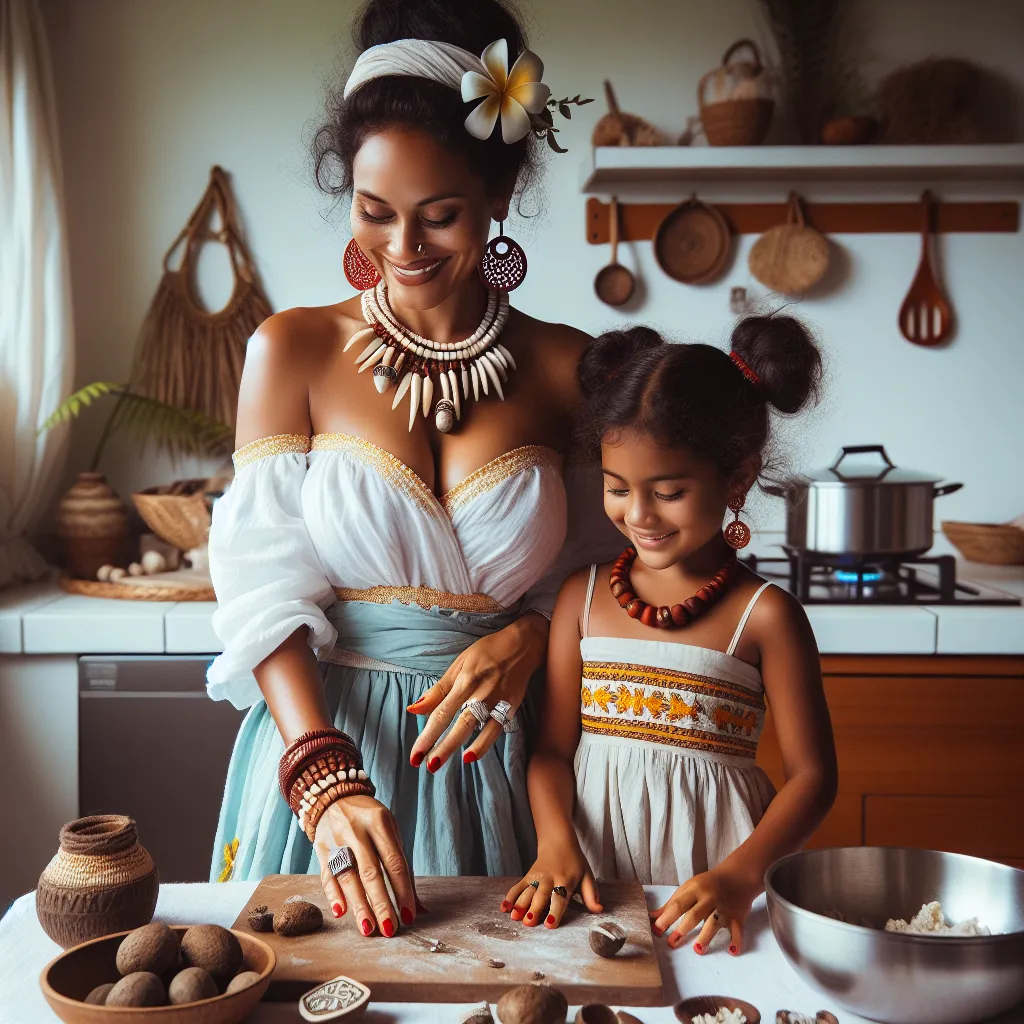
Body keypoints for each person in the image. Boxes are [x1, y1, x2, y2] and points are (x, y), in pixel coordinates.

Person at [205, 0, 619, 941]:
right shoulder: (291, 351)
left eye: (440, 216)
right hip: (329, 759)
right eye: (374, 213)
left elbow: (612, 567)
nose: (403, 250)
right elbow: (261, 583)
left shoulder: (573, 369)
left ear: (499, 197)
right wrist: (320, 772)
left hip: (517, 767)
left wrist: (529, 635)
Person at [502, 318, 839, 956]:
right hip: (592, 876)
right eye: (617, 488)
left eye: (669, 492)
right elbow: (550, 751)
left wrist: (740, 877)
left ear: (737, 477)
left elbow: (813, 777)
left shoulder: (766, 616)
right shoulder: (582, 597)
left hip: (718, 881)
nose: (639, 515)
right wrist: (553, 845)